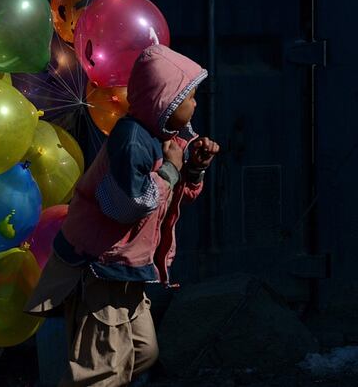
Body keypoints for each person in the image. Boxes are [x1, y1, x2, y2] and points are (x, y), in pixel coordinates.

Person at [26, 44, 220, 386]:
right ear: (166, 100)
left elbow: (168, 200)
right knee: (102, 371)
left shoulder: (161, 139)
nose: (194, 103)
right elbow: (127, 206)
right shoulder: (132, 142)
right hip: (101, 267)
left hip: (127, 269)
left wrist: (193, 171)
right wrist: (173, 170)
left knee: (142, 352)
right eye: (188, 95)